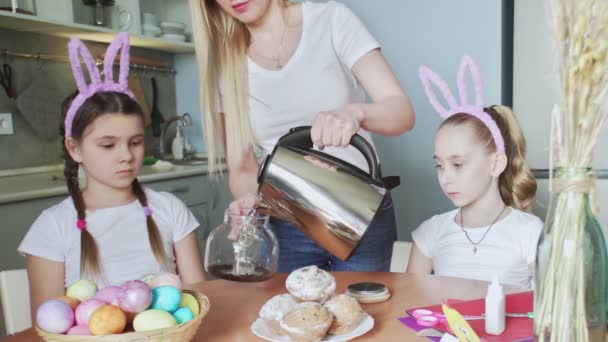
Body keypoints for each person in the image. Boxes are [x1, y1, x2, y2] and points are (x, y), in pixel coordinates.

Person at [188, 0, 415, 272]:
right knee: (292, 312)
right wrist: (249, 199)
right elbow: (243, 169)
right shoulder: (224, 63)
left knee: (365, 312)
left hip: (360, 211)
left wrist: (355, 113)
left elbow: (401, 112)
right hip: (285, 219)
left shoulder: (332, 20)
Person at [18, 33, 205, 318]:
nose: (126, 156)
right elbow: (48, 326)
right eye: (108, 145)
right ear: (75, 149)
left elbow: (197, 303)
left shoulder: (169, 210)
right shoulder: (52, 228)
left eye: (135, 142)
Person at [406, 55, 542, 289]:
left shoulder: (530, 233)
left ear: (496, 164)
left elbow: (552, 315)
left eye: (458, 164)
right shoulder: (430, 233)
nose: (445, 177)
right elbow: (408, 307)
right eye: (439, 165)